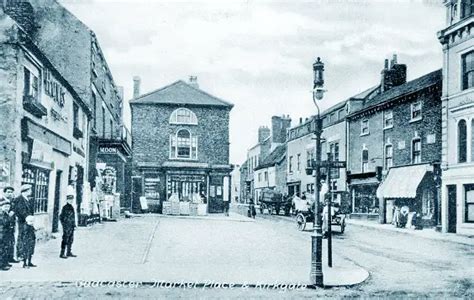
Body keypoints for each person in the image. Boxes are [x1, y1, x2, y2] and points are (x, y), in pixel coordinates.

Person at [13, 184, 34, 260]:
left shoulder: (28, 199)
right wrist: (27, 217)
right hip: (22, 222)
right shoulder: (19, 199)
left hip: (29, 222)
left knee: (28, 239)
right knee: (22, 238)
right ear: (26, 191)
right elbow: (19, 210)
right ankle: (20, 255)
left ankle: (26, 256)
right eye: (30, 190)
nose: (31, 191)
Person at [1, 186, 18, 264]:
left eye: (11, 192)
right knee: (4, 243)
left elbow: (15, 209)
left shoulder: (12, 200)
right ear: (4, 192)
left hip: (11, 223)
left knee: (11, 241)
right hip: (4, 225)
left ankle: (10, 257)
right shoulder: (1, 200)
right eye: (8, 192)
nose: (10, 194)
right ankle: (4, 260)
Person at [60, 194, 77, 259]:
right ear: (67, 200)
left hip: (71, 226)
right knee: (65, 240)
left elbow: (73, 217)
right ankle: (62, 253)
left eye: (71, 200)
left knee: (71, 239)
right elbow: (61, 217)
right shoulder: (65, 207)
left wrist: (74, 225)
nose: (71, 201)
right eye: (69, 199)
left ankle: (68, 252)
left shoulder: (71, 207)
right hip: (67, 226)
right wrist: (64, 225)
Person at [0, 199, 12, 270]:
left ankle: (5, 263)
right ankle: (1, 265)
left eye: (8, 206)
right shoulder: (1, 214)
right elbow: (4, 224)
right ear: (1, 206)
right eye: (5, 206)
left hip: (5, 234)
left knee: (5, 249)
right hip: (1, 234)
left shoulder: (6, 213)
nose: (7, 208)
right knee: (1, 250)